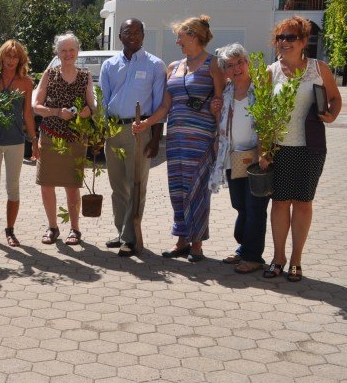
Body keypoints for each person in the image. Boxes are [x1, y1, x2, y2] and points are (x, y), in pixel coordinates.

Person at [133, 15, 224, 262]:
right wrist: (147, 124)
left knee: (197, 189)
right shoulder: (174, 67)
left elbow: (220, 103)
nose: (178, 42)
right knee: (177, 189)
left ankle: (197, 244)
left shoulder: (214, 64)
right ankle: (181, 240)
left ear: (194, 36)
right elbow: (165, 105)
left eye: (180, 37)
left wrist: (220, 138)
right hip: (175, 138)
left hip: (202, 138)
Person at [260, 16, 341, 282]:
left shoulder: (319, 69)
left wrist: (332, 115)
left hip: (310, 148)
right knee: (280, 202)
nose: (284, 42)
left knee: (303, 203)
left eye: (290, 37)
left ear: (303, 41)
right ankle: (278, 257)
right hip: (280, 148)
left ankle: (296, 259)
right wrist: (264, 150)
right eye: (280, 37)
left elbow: (334, 98)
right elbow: (263, 115)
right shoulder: (271, 72)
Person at [99, 19, 167, 257]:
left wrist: (156, 139)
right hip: (113, 131)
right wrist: (101, 131)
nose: (133, 36)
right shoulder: (109, 65)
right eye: (128, 32)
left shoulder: (155, 65)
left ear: (143, 35)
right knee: (117, 186)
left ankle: (131, 236)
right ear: (120, 36)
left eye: (138, 31)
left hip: (140, 131)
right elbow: (103, 101)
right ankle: (121, 233)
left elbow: (159, 105)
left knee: (136, 185)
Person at [207, 43, 269, 274]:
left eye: (240, 62)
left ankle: (254, 256)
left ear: (247, 62)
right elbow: (220, 123)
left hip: (256, 158)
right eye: (230, 65)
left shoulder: (261, 88)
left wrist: (265, 152)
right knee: (240, 205)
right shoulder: (226, 92)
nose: (236, 68)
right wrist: (215, 110)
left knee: (255, 207)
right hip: (233, 157)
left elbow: (270, 122)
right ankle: (244, 248)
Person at [32, 32, 95, 246]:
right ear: (57, 53)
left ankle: (75, 229)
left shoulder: (85, 76)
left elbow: (92, 106)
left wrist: (87, 112)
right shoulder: (50, 74)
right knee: (47, 184)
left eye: (71, 50)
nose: (68, 54)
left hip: (76, 139)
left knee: (72, 186)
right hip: (50, 137)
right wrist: (58, 112)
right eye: (63, 50)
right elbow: (36, 107)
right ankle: (52, 227)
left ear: (77, 52)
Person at [0, 39, 37, 247]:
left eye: (16, 57)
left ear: (21, 59)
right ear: (1, 56)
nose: (11, 60)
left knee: (13, 188)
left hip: (15, 141)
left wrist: (35, 141)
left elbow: (28, 114)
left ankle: (10, 231)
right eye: (8, 55)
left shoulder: (26, 82)